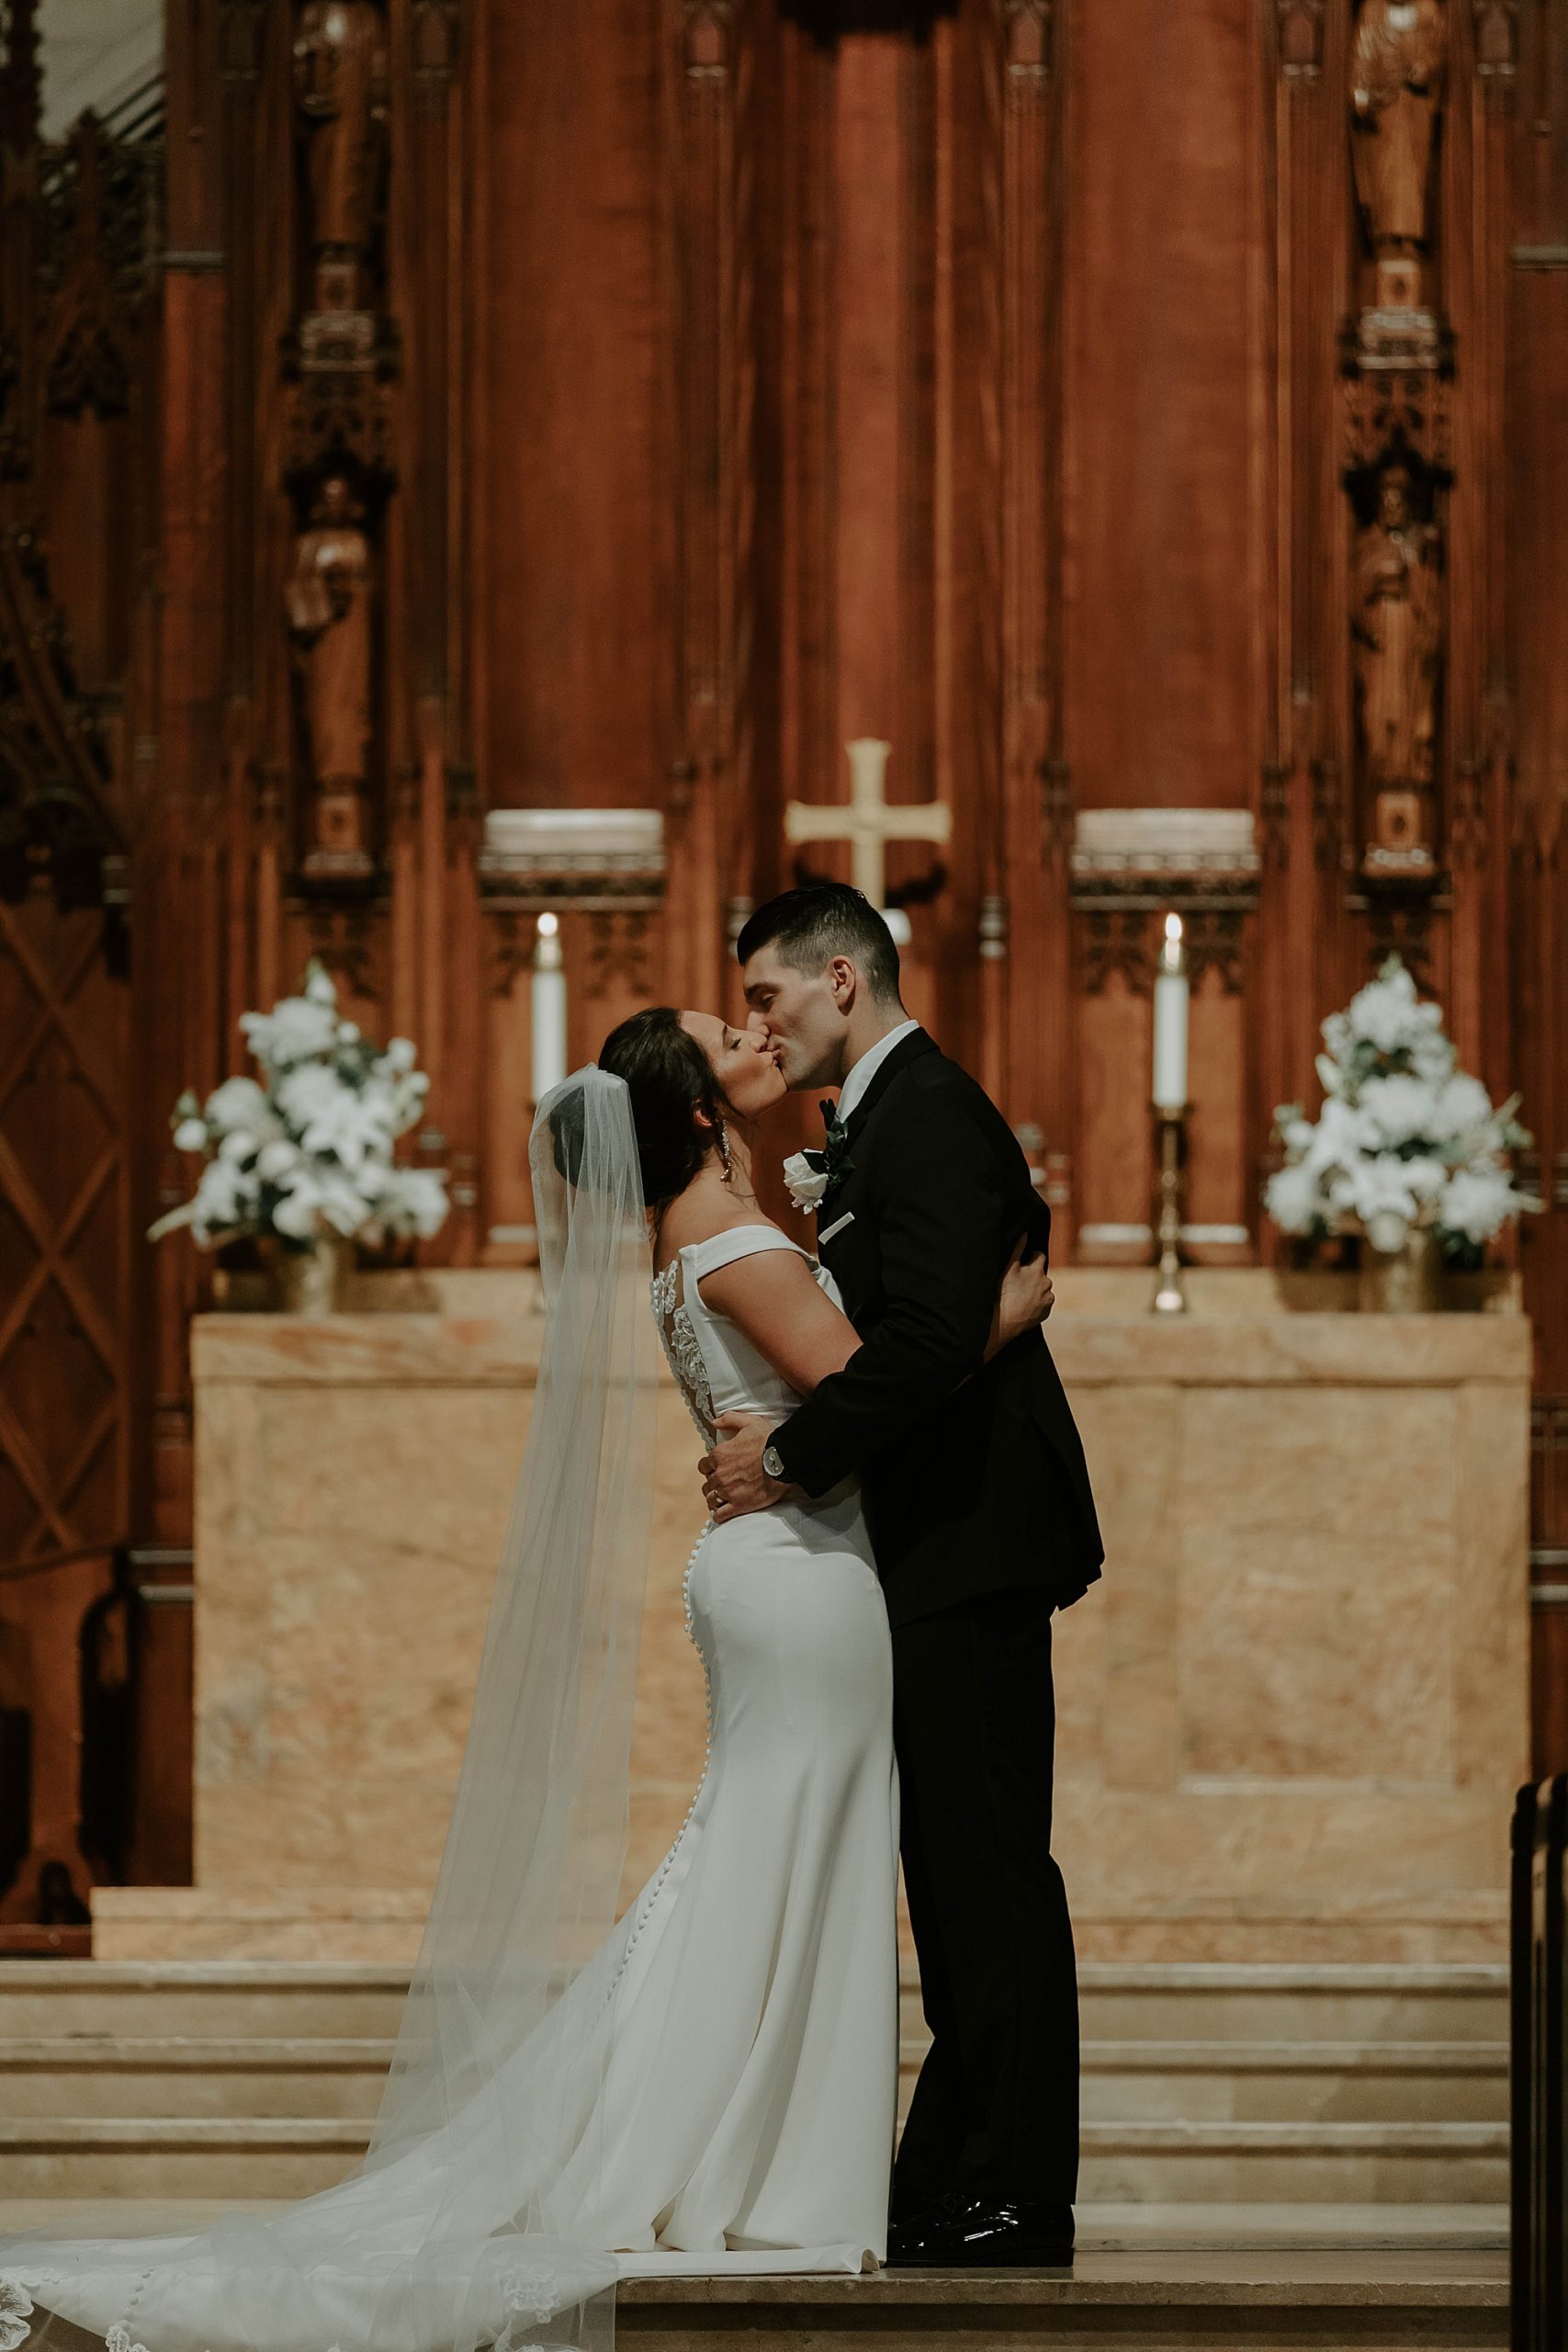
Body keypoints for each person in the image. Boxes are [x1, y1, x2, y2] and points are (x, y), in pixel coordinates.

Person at [0, 1017, 1053, 2352]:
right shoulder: (735, 1243)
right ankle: (738, 2167)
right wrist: (993, 1327)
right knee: (781, 1856)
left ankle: (746, 2155)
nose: (750, 1032)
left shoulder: (690, 1252)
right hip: (799, 1576)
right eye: (720, 1032)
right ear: (688, 1119)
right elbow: (872, 1399)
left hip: (770, 1571)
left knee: (763, 1855)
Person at [703, 883, 1102, 2269]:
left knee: (985, 1873)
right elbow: (940, 1324)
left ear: (841, 980)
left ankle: (1004, 2191)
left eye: (769, 996)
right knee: (961, 1875)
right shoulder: (889, 1118)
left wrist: (792, 1456)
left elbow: (929, 1341)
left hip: (972, 1543)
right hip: (937, 1542)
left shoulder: (927, 1110)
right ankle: (967, 2178)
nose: (762, 1021)